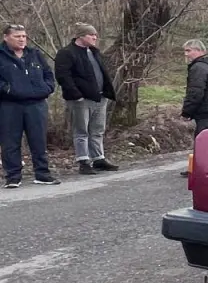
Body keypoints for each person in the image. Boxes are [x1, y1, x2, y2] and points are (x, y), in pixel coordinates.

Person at [54, 22, 119, 175]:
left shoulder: (94, 52)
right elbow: (63, 76)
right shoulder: (67, 53)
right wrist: (76, 95)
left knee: (97, 130)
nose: (95, 37)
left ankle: (98, 158)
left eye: (95, 35)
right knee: (81, 131)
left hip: (100, 98)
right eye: (91, 35)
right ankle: (83, 161)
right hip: (81, 100)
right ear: (81, 36)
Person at [0, 23, 60, 188]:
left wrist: (47, 88)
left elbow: (48, 74)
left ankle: (42, 174)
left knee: (38, 140)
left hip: (36, 104)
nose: (21, 39)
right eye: (17, 36)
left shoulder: (34, 54)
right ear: (6, 37)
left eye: (24, 36)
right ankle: (13, 177)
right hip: (10, 105)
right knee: (10, 142)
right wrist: (9, 90)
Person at [180, 39, 208, 144]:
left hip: (205, 111)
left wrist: (186, 112)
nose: (186, 54)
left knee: (204, 144)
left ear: (199, 50)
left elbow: (195, 93)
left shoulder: (198, 68)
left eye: (188, 51)